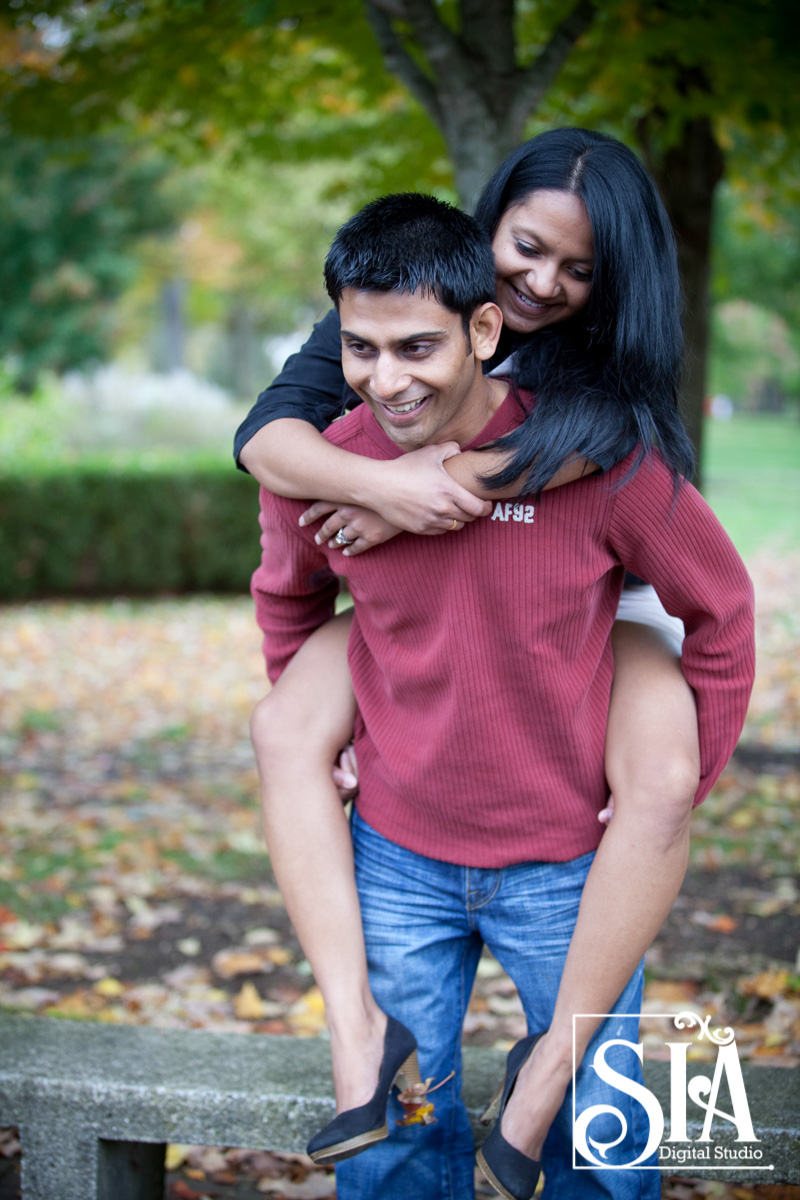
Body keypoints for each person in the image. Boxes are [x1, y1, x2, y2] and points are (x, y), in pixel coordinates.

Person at [250, 192, 755, 1200]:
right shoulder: (326, 464)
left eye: (416, 349)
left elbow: (721, 610)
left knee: (600, 1148)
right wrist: (332, 726)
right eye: (361, 349)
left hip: (567, 865)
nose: (385, 381)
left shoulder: (591, 457)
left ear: (484, 330)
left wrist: (680, 782)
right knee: (394, 1145)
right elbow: (287, 598)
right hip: (397, 855)